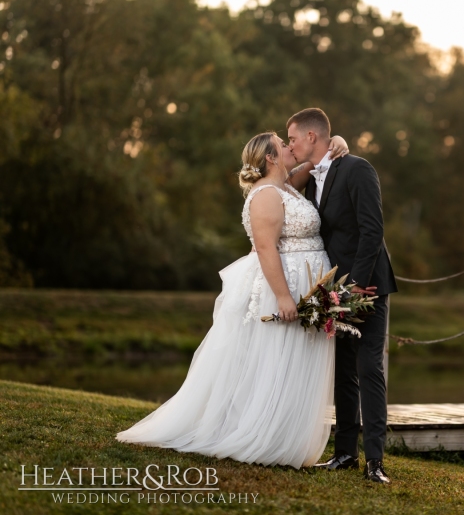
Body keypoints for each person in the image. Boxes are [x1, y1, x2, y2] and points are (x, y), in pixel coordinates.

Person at [115, 131, 350, 469]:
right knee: (275, 360)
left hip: (308, 285)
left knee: (292, 361)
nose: (289, 147)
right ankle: (262, 435)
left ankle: (281, 433)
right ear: (270, 157)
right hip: (283, 288)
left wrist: (336, 141)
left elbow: (312, 160)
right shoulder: (267, 194)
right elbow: (267, 248)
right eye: (282, 145)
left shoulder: (283, 187)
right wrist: (284, 297)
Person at [286, 108, 398, 484]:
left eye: (294, 138)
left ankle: (375, 462)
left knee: (369, 369)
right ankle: (346, 453)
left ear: (313, 137)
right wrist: (334, 290)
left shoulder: (358, 169)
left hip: (367, 286)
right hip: (335, 289)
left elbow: (372, 230)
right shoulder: (314, 178)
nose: (291, 145)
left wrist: (359, 284)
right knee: (343, 373)